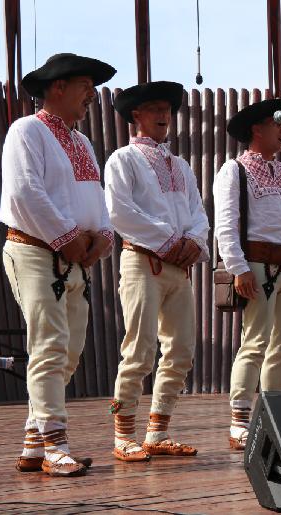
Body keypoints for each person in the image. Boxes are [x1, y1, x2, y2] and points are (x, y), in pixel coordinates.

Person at [0, 53, 116, 476]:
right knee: (49, 344)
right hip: (34, 250)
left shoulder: (82, 142)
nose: (92, 94)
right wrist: (68, 238)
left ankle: (34, 443)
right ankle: (55, 443)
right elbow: (24, 193)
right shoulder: (26, 130)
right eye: (85, 84)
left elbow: (98, 202)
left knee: (69, 351)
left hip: (74, 259)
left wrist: (101, 236)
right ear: (57, 87)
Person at [105, 81, 209, 461]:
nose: (164, 115)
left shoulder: (180, 165)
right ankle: (122, 435)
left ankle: (157, 431)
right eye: (154, 109)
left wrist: (195, 243)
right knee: (139, 347)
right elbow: (119, 212)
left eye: (167, 109)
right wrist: (171, 241)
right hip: (143, 261)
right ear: (136, 115)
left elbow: (199, 213)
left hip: (177, 266)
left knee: (181, 349)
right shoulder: (123, 159)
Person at [214, 98, 281, 449]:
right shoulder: (234, 170)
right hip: (257, 265)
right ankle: (239, 419)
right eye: (277, 124)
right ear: (257, 129)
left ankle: (274, 415)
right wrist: (238, 268)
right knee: (255, 341)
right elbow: (225, 224)